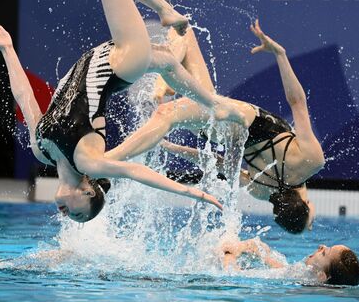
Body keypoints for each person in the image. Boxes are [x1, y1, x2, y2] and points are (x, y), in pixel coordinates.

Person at [0, 0, 249, 222]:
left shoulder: (42, 151)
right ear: (88, 192)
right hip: (122, 64)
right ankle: (165, 11)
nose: (67, 216)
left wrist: (7, 49)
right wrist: (194, 193)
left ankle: (214, 103)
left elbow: (24, 97)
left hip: (107, 54)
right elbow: (136, 172)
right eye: (79, 214)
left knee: (168, 61)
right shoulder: (89, 162)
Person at [104, 20, 326, 233]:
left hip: (228, 117)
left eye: (311, 220)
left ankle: (107, 160)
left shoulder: (312, 160)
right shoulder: (261, 192)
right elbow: (221, 164)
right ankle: (164, 82)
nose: (313, 222)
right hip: (215, 129)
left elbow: (297, 102)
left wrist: (280, 54)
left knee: (166, 113)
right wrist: (173, 149)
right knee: (183, 33)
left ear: (306, 204)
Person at [219, 237, 359, 286]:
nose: (321, 246)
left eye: (324, 252)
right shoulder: (304, 277)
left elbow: (232, 276)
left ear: (321, 276)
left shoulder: (291, 288)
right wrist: (262, 253)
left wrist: (228, 253)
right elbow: (284, 271)